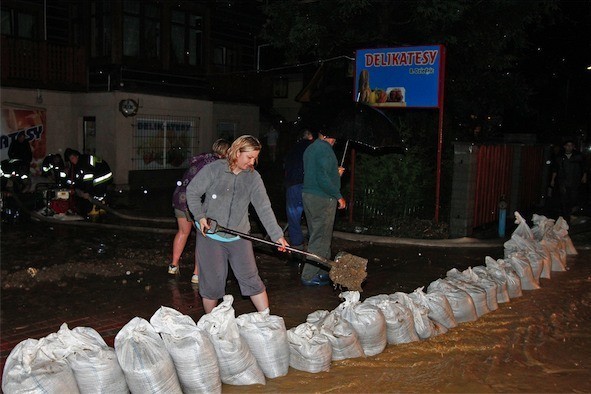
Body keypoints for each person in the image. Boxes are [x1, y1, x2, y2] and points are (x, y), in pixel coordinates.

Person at [186, 135, 289, 313]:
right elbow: (192, 192)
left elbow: (264, 208)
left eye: (255, 158)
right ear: (237, 152)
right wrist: (200, 216)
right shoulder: (214, 170)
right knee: (212, 283)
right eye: (249, 157)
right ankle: (211, 322)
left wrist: (277, 236)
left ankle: (267, 320)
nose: (253, 162)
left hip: (239, 236)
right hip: (211, 235)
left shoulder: (253, 178)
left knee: (252, 279)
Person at [168, 139, 230, 284]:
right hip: (196, 202)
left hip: (180, 198)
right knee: (202, 238)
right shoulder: (218, 165)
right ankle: (197, 273)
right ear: (226, 152)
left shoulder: (201, 159)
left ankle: (173, 265)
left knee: (183, 232)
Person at [300, 128, 346, 286]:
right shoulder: (325, 149)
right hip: (323, 198)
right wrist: (338, 195)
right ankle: (308, 275)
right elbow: (322, 177)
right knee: (320, 237)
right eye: (334, 137)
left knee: (318, 234)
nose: (335, 141)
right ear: (327, 135)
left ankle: (322, 271)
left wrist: (335, 173)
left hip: (308, 195)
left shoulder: (310, 148)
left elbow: (318, 172)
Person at [283, 128, 314, 259]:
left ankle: (297, 245)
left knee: (293, 216)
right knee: (312, 215)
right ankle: (313, 244)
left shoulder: (293, 148)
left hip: (292, 184)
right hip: (308, 184)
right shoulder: (313, 148)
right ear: (310, 136)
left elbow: (286, 165)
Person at [64, 148, 113, 216]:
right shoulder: (80, 162)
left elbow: (88, 179)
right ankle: (102, 207)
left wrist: (87, 192)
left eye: (73, 158)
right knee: (97, 190)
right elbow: (80, 179)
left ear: (77, 156)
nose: (72, 161)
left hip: (103, 174)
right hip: (100, 173)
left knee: (97, 191)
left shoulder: (83, 163)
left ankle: (96, 208)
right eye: (70, 159)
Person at [550, 140, 587, 223]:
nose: (569, 147)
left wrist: (584, 176)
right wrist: (552, 179)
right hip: (563, 180)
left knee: (573, 197)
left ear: (573, 146)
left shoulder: (578, 156)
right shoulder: (560, 157)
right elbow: (555, 169)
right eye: (567, 145)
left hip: (575, 180)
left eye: (571, 145)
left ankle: (570, 211)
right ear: (564, 146)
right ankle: (566, 215)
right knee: (563, 197)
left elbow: (584, 167)